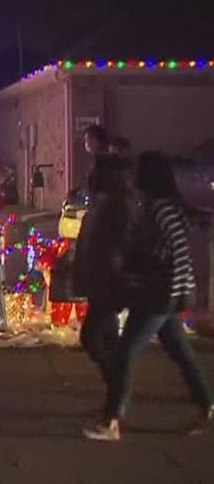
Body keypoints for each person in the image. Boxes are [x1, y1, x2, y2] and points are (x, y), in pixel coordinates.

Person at [85, 152, 214, 441]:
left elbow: (157, 254)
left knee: (126, 354)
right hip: (172, 293)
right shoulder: (171, 208)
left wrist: (127, 266)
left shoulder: (156, 210)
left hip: (158, 294)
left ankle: (112, 420)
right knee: (181, 352)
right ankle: (206, 402)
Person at [73, 154, 136, 403]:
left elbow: (119, 246)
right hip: (100, 283)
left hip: (109, 285)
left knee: (94, 339)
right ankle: (116, 399)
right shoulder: (103, 204)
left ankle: (117, 399)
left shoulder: (120, 206)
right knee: (107, 342)